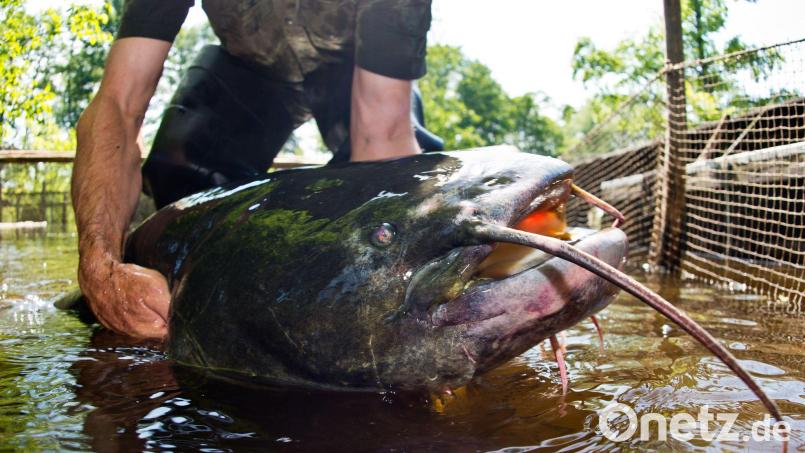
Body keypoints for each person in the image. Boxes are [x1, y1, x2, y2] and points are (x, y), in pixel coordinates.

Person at [71, 0, 441, 340]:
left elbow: (381, 138)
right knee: (177, 178)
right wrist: (99, 268)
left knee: (397, 187)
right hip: (246, 74)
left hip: (352, 74)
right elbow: (118, 105)